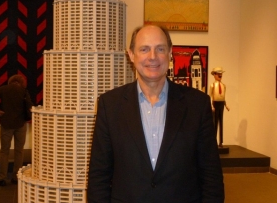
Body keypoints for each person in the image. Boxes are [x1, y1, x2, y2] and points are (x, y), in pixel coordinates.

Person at [87, 25, 224, 203]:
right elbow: (99, 177)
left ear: (170, 53)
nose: (153, 57)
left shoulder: (197, 104)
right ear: (131, 55)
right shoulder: (110, 105)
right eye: (144, 49)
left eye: (160, 49)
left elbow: (211, 176)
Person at [0, 74, 33, 186]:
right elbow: (30, 106)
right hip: (21, 124)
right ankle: (16, 177)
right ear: (22, 82)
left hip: (6, 124)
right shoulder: (23, 91)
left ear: (11, 81)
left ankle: (1, 178)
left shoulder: (4, 89)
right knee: (19, 151)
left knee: (4, 151)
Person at [209, 67, 230, 148]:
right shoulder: (212, 85)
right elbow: (210, 96)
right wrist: (211, 105)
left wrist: (226, 104)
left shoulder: (224, 86)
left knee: (221, 122)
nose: (220, 75)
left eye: (221, 73)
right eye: (218, 73)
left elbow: (223, 96)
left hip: (221, 104)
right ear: (214, 75)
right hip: (215, 104)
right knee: (215, 123)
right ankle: (214, 141)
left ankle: (221, 142)